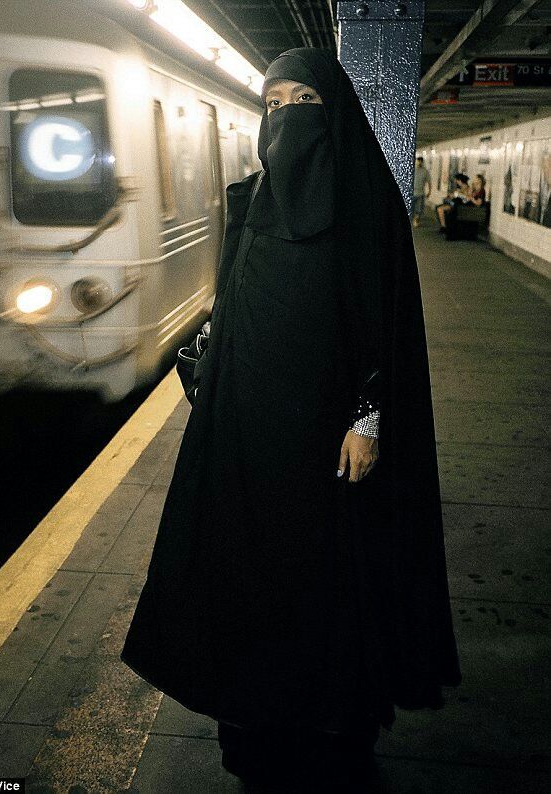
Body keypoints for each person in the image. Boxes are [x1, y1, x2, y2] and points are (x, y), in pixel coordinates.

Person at [120, 47, 462, 791]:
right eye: (272, 104)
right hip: (246, 433)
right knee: (244, 577)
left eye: (303, 101)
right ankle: (250, 723)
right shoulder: (251, 202)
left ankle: (333, 727)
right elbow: (232, 305)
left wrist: (367, 419)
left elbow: (382, 328)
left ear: (334, 112)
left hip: (326, 441)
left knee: (328, 582)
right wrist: (210, 365)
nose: (285, 118)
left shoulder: (365, 208)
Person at [412, 155, 431, 227]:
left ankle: (416, 220)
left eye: (421, 161)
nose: (419, 163)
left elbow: (429, 182)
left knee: (419, 208)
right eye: (418, 161)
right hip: (412, 192)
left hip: (420, 193)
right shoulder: (412, 169)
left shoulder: (425, 171)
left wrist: (429, 191)